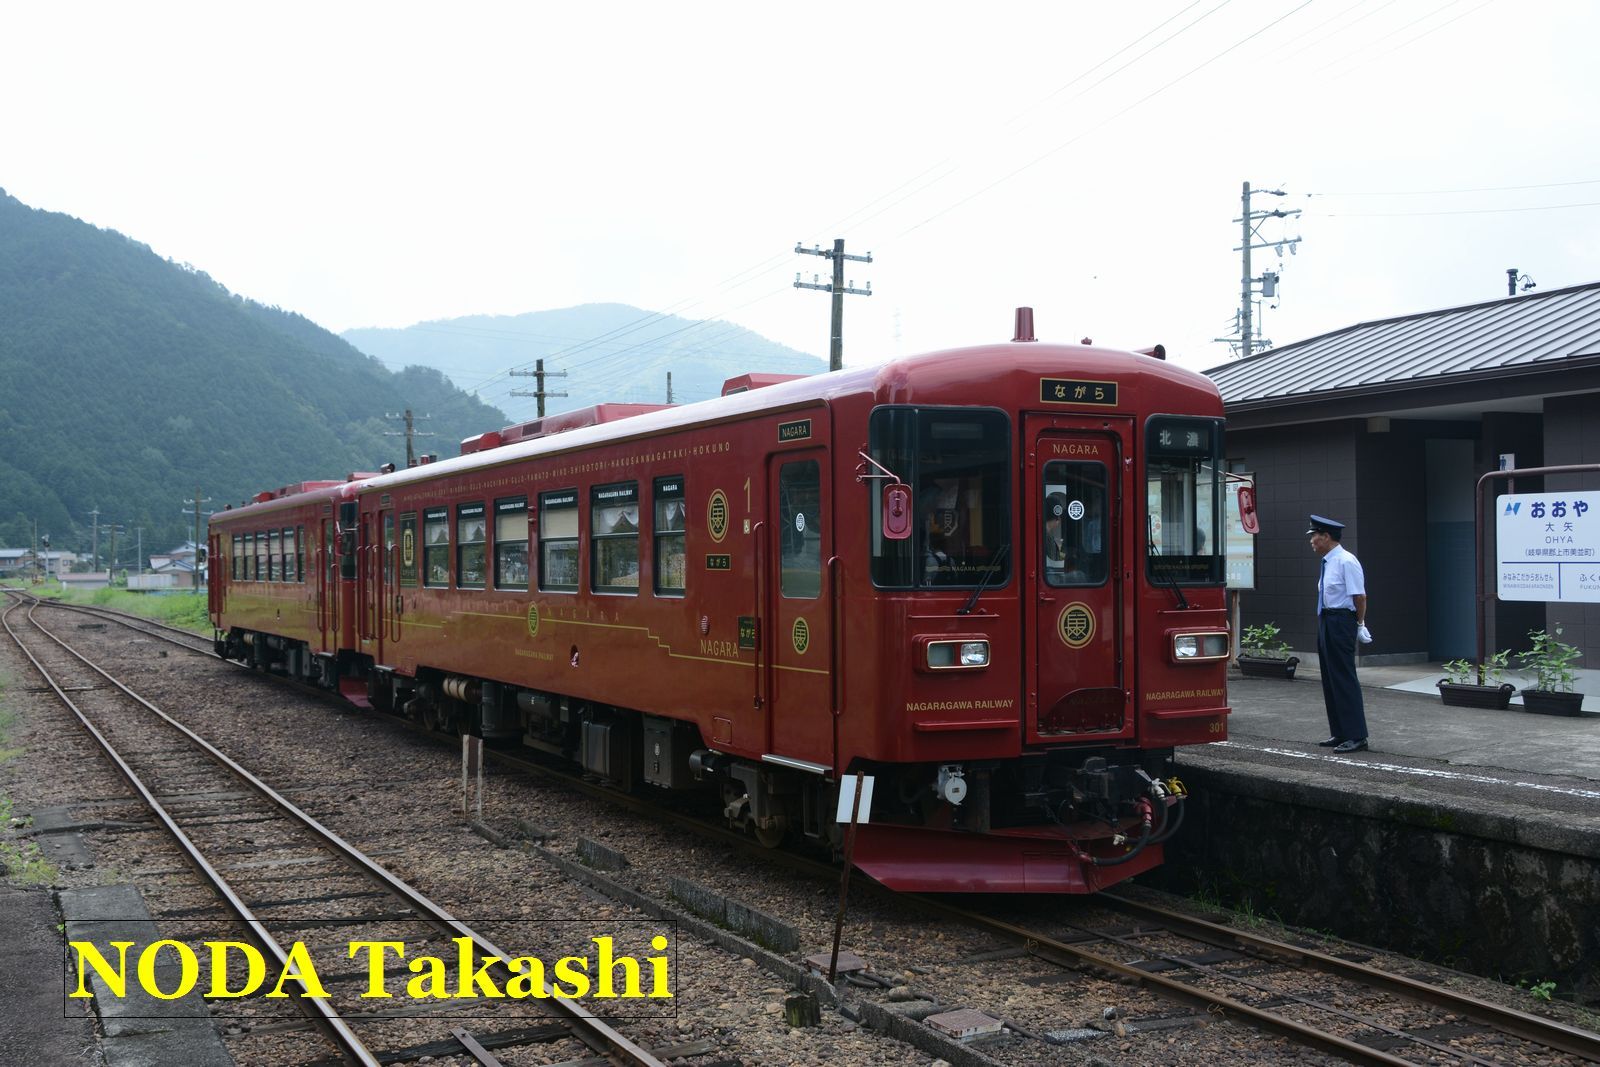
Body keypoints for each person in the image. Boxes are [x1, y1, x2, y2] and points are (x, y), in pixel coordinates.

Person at [1308, 515, 1369, 753]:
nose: (1311, 540)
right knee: (1329, 677)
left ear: (1326, 536)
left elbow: (1360, 596)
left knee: (1343, 677)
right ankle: (1340, 732)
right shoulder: (1327, 561)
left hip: (1342, 620)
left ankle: (1357, 735)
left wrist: (1360, 624)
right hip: (1326, 619)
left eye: (1314, 535)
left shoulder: (1346, 561)